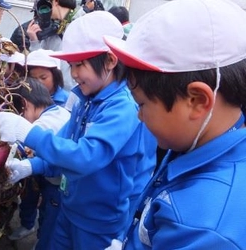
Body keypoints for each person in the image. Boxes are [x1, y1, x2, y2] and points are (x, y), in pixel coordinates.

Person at [0, 11, 157, 249]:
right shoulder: (85, 99)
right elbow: (64, 146)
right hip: (70, 207)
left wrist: (28, 133)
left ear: (110, 61)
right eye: (71, 65)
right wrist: (31, 165)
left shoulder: (122, 107)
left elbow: (84, 156)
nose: (74, 74)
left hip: (100, 221)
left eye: (80, 64)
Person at [103, 0, 246, 249]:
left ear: (196, 101)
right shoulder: (195, 141)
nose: (139, 116)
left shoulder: (204, 229)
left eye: (142, 105)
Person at [8, 77, 71, 248]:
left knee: (50, 221)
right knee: (46, 213)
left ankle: (42, 243)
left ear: (25, 104)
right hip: (59, 182)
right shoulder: (59, 111)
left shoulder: (42, 124)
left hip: (59, 186)